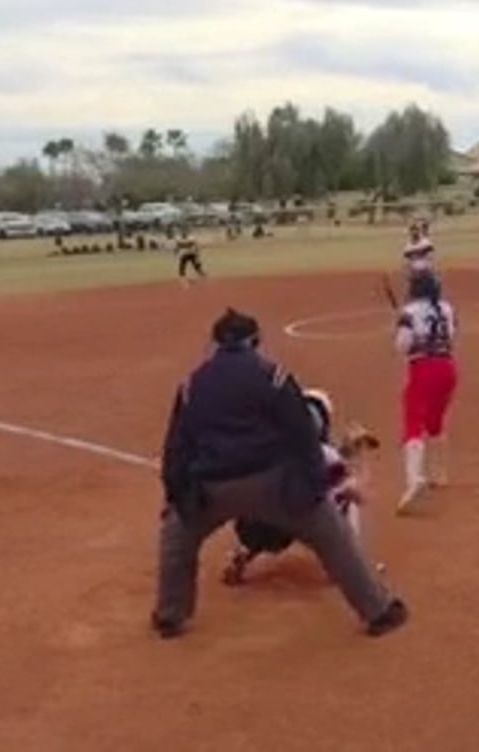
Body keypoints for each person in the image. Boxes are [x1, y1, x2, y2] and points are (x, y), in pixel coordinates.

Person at [153, 310, 407, 640]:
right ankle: (379, 611)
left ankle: (170, 616)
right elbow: (302, 436)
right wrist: (311, 489)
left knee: (176, 539)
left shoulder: (191, 386)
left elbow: (177, 448)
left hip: (212, 487)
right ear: (254, 341)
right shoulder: (273, 376)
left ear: (215, 344)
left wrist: (177, 497)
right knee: (334, 536)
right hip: (271, 482)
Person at [221, 388, 381, 585]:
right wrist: (359, 457)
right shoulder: (325, 455)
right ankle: (352, 565)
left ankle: (243, 552)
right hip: (302, 525)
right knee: (343, 494)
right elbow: (356, 492)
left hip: (253, 528)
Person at [394, 271, 458, 514]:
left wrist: (402, 329)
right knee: (435, 420)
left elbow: (402, 346)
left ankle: (414, 482)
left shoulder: (409, 312)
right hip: (448, 369)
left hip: (423, 370)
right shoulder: (446, 308)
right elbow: (450, 335)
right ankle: (439, 473)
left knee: (413, 422)